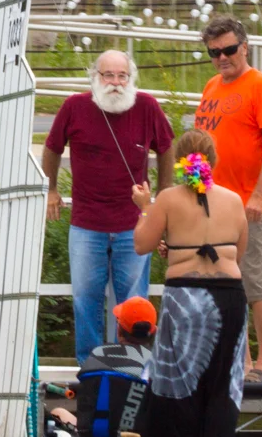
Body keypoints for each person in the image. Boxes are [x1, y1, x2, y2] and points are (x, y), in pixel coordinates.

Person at [43, 50, 176, 364]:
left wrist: (164, 193)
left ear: (130, 79)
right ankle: (90, 368)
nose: (115, 82)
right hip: (86, 224)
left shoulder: (147, 106)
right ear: (95, 77)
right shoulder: (74, 106)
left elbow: (167, 148)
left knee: (135, 304)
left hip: (134, 225)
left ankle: (133, 368)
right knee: (85, 300)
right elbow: (52, 148)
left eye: (122, 76)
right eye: (108, 75)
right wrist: (51, 189)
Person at [131, 131, 249, 437]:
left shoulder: (168, 198)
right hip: (230, 297)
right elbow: (238, 254)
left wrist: (144, 207)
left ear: (180, 162)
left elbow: (141, 244)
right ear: (214, 160)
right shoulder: (234, 200)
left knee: (180, 377)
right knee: (224, 378)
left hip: (187, 297)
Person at [194, 16, 262, 383]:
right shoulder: (211, 87)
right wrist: (196, 192)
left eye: (229, 49)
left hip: (248, 205)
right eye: (214, 52)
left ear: (244, 48)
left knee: (253, 281)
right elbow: (201, 148)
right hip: (213, 203)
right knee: (224, 284)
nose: (222, 58)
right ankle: (242, 363)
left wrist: (259, 195)